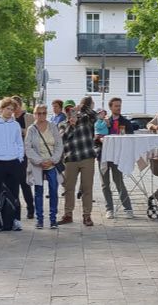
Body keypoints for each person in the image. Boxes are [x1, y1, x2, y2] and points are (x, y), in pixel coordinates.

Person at [0, 97, 24, 232]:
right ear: (1, 109)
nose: (10, 112)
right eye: (7, 109)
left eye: (12, 110)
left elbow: (19, 142)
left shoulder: (16, 125)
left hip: (13, 162)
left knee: (14, 192)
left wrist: (19, 157)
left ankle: (14, 220)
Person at [57, 96, 97, 226]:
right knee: (69, 188)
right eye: (67, 110)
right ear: (64, 111)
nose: (70, 112)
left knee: (87, 188)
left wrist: (82, 107)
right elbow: (63, 139)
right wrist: (72, 125)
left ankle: (87, 216)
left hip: (87, 157)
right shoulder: (62, 124)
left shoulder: (86, 118)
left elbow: (94, 115)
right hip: (71, 159)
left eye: (72, 109)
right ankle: (68, 215)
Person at [25, 104, 64, 229]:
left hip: (52, 163)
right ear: (34, 114)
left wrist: (53, 160)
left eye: (44, 113)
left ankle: (53, 219)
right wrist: (39, 161)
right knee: (38, 192)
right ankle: (40, 219)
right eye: (38, 113)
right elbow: (28, 147)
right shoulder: (31, 129)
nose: (41, 115)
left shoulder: (52, 127)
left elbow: (59, 145)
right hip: (38, 164)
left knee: (53, 191)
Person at [97, 97, 135, 219]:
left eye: (120, 105)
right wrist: (99, 138)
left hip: (118, 156)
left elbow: (131, 139)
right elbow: (96, 136)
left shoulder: (125, 122)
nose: (118, 108)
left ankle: (128, 208)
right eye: (116, 106)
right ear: (110, 107)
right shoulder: (103, 121)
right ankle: (109, 209)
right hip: (103, 155)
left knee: (119, 182)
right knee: (105, 184)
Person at [11, 97, 36, 219]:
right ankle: (15, 209)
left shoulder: (28, 117)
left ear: (20, 106)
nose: (14, 109)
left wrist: (20, 130)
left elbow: (32, 133)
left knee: (24, 182)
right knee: (13, 183)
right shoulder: (9, 118)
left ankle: (30, 208)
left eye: (16, 106)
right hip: (12, 154)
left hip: (25, 154)